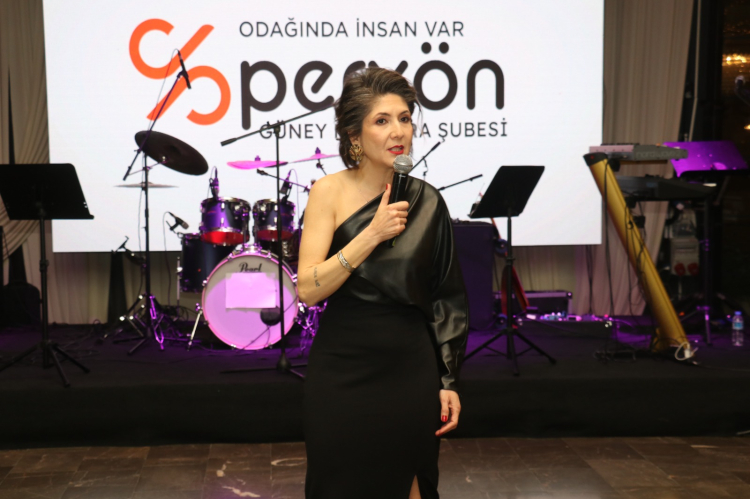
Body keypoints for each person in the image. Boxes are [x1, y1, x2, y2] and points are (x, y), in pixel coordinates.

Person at [298, 67, 468, 499]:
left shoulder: (428, 201)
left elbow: (446, 299)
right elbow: (308, 289)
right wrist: (370, 235)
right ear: (354, 135)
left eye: (405, 118)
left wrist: (448, 380)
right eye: (382, 120)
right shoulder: (328, 192)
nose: (399, 131)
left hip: (409, 370)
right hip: (342, 368)